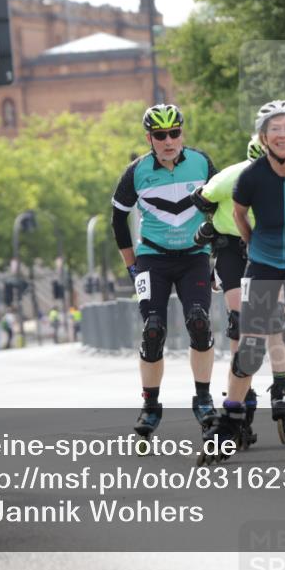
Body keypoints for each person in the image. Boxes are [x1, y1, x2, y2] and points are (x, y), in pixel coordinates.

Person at [200, 100, 285, 463]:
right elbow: (239, 214)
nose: (283, 136)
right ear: (263, 137)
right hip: (262, 261)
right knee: (251, 347)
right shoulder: (249, 178)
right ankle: (231, 417)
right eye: (274, 130)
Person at [110, 103, 219, 442]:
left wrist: (219, 256)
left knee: (199, 322)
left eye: (175, 133)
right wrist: (131, 265)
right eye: (160, 135)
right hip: (152, 259)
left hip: (194, 256)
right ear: (150, 138)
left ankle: (203, 399)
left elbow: (221, 210)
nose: (169, 141)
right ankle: (151, 405)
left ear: (182, 133)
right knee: (153, 329)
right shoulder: (136, 172)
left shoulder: (202, 164)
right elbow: (118, 220)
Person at [189, 135, 276, 444]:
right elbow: (201, 197)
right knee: (240, 323)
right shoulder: (232, 176)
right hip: (231, 249)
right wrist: (211, 224)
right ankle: (243, 400)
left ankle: (272, 386)